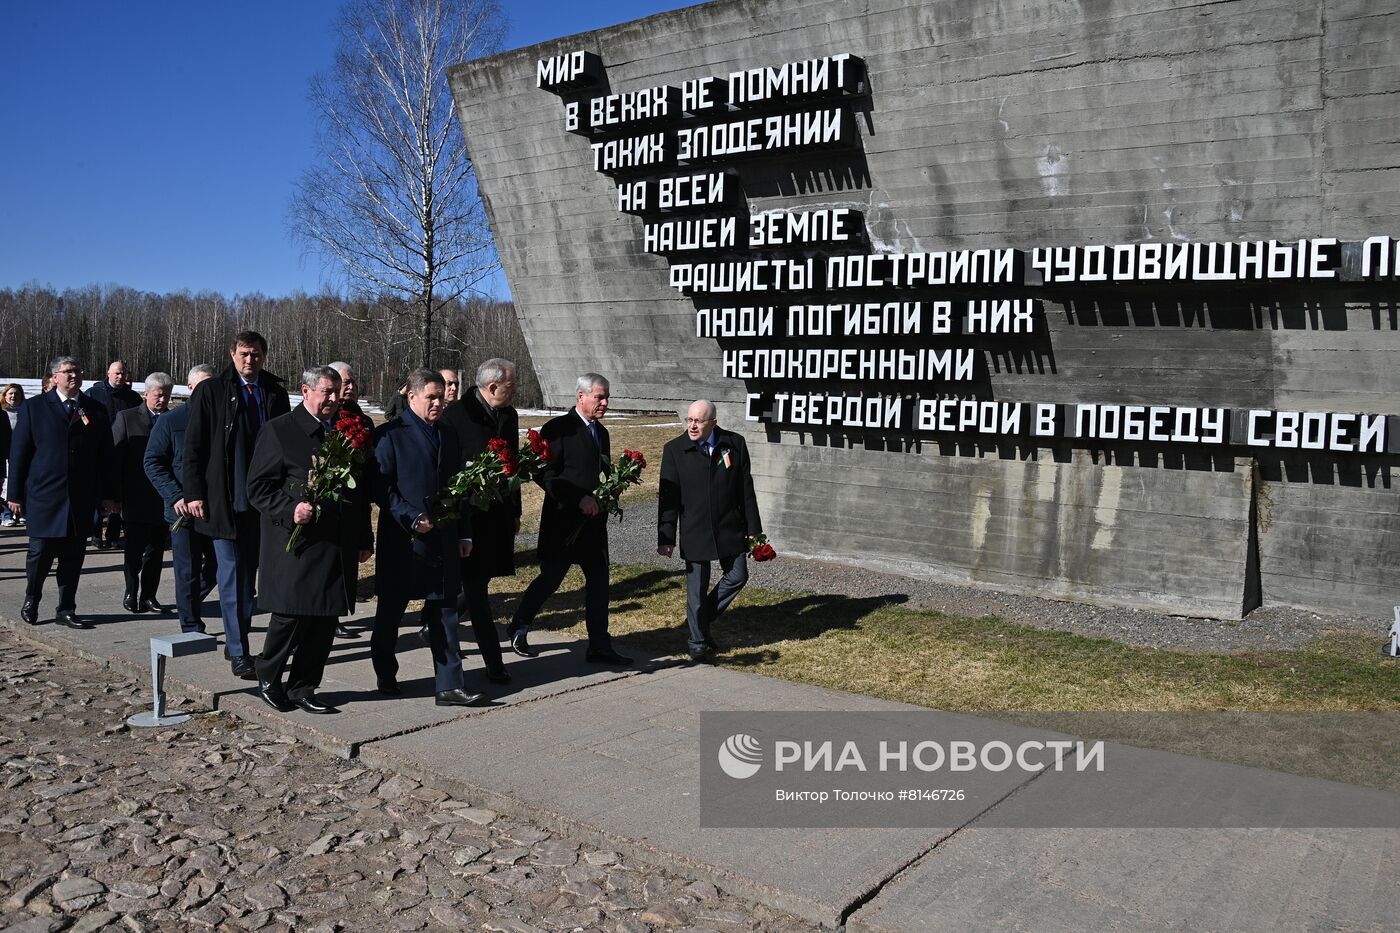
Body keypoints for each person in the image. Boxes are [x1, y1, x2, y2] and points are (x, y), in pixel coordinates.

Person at [248, 366, 373, 715]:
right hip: (298, 544)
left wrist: (364, 538)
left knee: (325, 619)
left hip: (336, 544)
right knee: (291, 617)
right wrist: (291, 509)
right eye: (326, 392)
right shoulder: (280, 431)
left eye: (338, 391)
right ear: (305, 391)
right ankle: (268, 677)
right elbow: (257, 488)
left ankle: (304, 686)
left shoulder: (346, 432)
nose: (334, 399)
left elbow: (358, 494)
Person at [369, 368, 486, 706]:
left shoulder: (447, 435)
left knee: (446, 609)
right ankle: (385, 673)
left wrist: (464, 532)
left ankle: (449, 684)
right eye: (431, 397)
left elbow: (457, 488)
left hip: (444, 538)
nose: (438, 403)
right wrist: (411, 517)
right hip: (404, 540)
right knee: (391, 611)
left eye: (441, 397)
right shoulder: (390, 435)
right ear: (412, 396)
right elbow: (383, 488)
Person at [184, 331, 291, 678]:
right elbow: (195, 447)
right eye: (244, 353)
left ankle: (243, 643)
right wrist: (194, 492)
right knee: (229, 575)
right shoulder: (212, 391)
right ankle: (238, 651)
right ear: (232, 354)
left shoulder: (273, 392)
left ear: (265, 355)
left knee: (249, 582)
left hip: (265, 501)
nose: (250, 360)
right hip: (226, 498)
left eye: (256, 354)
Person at [509, 373, 629, 665]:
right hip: (563, 523)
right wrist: (577, 498)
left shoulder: (602, 433)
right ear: (581, 397)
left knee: (599, 583)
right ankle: (519, 626)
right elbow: (544, 473)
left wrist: (607, 493)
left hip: (593, 525)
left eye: (606, 397)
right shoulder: (558, 429)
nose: (605, 402)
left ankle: (599, 645)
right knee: (551, 579)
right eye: (599, 397)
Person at [6, 357, 116, 628]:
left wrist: (108, 494)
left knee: (73, 555)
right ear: (54, 377)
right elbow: (19, 454)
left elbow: (106, 456)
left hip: (80, 496)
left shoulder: (94, 409)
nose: (73, 376)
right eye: (67, 372)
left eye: (77, 371)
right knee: (40, 553)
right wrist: (14, 494)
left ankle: (66, 608)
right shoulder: (34, 407)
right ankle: (32, 597)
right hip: (45, 494)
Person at [657, 400, 763, 663]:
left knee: (737, 575)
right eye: (689, 420)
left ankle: (699, 620)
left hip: (729, 527)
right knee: (696, 588)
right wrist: (666, 536)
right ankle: (697, 643)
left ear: (713, 423)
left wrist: (753, 529)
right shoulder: (674, 450)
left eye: (699, 421)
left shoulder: (734, 444)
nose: (692, 425)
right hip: (695, 530)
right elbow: (668, 499)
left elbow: (745, 490)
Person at [441, 358, 519, 685]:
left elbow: (512, 466)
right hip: (467, 518)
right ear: (492, 387)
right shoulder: (456, 416)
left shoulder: (509, 415)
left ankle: (436, 628)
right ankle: (493, 662)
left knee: (477, 586)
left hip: (497, 516)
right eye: (511, 386)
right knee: (475, 591)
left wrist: (515, 511)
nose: (515, 391)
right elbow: (448, 470)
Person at [144, 364, 220, 634]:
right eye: (203, 386)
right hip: (183, 512)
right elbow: (153, 462)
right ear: (190, 389)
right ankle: (190, 623)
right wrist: (175, 495)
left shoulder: (223, 421)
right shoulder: (171, 421)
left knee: (216, 568)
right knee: (186, 570)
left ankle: (187, 602)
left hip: (216, 510)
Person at [112, 372, 174, 613]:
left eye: (167, 396)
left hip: (162, 497)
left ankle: (149, 595)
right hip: (135, 495)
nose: (163, 400)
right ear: (146, 394)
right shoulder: (127, 418)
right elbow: (115, 459)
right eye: (158, 395)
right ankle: (131, 591)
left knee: (156, 550)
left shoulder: (172, 419)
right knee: (134, 548)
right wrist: (114, 495)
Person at [86, 360, 141, 550]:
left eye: (123, 373)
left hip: (123, 450)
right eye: (117, 373)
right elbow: (83, 416)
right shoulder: (94, 393)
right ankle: (94, 532)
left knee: (118, 495)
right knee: (98, 491)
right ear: (108, 373)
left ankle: (113, 534)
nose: (120, 377)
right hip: (99, 449)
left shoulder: (132, 397)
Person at [1, 384, 23, 526]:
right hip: (4, 451)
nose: (13, 396)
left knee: (19, 481)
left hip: (20, 451)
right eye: (10, 393)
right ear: (5, 395)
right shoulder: (2, 411)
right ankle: (6, 513)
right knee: (4, 485)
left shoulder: (25, 410)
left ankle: (19, 511)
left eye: (16, 394)